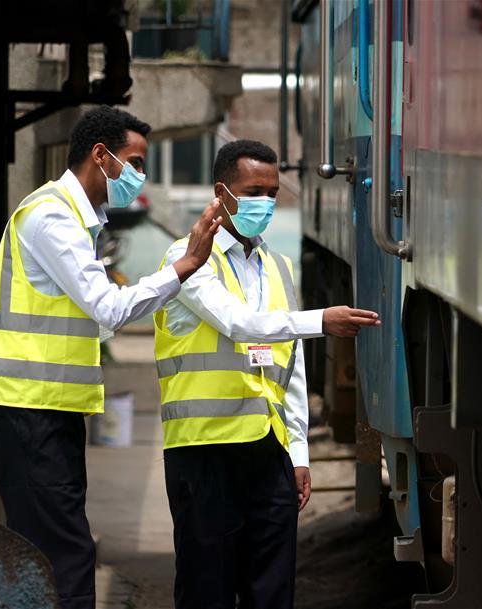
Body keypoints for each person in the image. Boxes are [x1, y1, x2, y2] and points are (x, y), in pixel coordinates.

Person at [0, 105, 222, 609]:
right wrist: (184, 265)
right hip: (29, 409)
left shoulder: (76, 219)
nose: (140, 175)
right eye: (134, 162)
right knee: (64, 554)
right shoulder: (53, 217)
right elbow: (109, 309)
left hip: (49, 409)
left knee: (50, 548)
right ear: (101, 155)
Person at [154, 139, 380, 609]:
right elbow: (237, 323)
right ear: (222, 193)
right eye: (254, 191)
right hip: (205, 449)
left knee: (273, 590)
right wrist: (321, 320)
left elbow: (289, 365)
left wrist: (298, 452)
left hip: (268, 451)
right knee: (207, 590)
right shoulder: (187, 258)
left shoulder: (277, 265)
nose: (266, 203)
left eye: (273, 193)